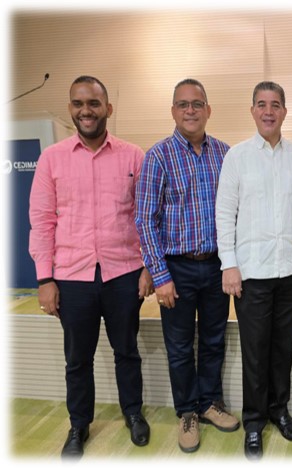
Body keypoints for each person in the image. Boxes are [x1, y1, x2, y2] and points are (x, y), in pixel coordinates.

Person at [29, 75, 152, 459]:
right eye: (79, 103)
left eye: (94, 103)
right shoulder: (52, 158)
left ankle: (133, 413)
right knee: (77, 359)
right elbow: (41, 220)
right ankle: (78, 424)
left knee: (127, 350)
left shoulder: (133, 156)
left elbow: (146, 217)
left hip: (123, 272)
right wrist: (45, 279)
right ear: (70, 108)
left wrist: (149, 267)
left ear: (108, 109)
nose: (86, 110)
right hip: (71, 277)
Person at [135, 78, 239, 454]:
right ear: (173, 111)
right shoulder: (158, 156)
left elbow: (236, 212)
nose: (190, 110)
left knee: (213, 340)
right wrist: (159, 275)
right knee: (179, 347)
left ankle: (209, 403)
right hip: (176, 269)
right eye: (183, 104)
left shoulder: (225, 154)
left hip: (216, 265)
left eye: (197, 104)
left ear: (208, 110)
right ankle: (187, 412)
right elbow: (145, 220)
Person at [216, 81, 292, 461]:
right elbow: (225, 214)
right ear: (252, 110)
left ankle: (279, 409)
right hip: (252, 272)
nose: (268, 111)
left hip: (290, 269)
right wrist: (229, 264)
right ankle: (254, 421)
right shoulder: (237, 157)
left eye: (275, 105)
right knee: (255, 351)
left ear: (285, 111)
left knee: (282, 347)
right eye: (261, 104)